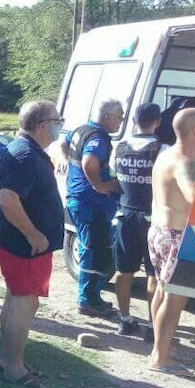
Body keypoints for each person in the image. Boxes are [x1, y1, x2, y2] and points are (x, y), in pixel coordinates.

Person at [0, 100, 65, 388]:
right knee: (24, 303)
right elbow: (7, 198)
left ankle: (7, 358)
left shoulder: (24, 150)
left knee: (16, 299)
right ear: (43, 125)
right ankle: (14, 366)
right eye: (57, 120)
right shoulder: (25, 155)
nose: (61, 125)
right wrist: (32, 233)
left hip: (20, 244)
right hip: (24, 246)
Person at [148, 107, 195, 378]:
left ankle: (159, 349)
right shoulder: (186, 162)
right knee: (174, 300)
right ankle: (161, 358)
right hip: (175, 236)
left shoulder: (165, 155)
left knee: (162, 292)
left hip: (158, 231)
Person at [62, 98, 123, 316]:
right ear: (107, 116)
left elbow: (64, 144)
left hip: (82, 198)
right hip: (91, 203)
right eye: (119, 116)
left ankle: (92, 297)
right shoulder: (98, 137)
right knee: (93, 251)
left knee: (99, 251)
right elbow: (89, 161)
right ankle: (86, 300)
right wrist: (100, 185)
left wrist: (70, 169)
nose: (121, 121)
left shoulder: (81, 130)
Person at [112, 103, 166, 339]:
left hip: (125, 218)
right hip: (153, 220)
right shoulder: (162, 150)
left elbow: (114, 179)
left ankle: (124, 320)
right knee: (154, 275)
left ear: (134, 120)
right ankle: (153, 328)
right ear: (158, 122)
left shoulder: (119, 148)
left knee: (124, 272)